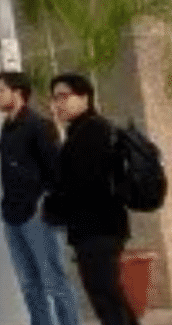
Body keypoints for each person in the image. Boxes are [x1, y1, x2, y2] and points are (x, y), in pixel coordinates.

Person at [45, 74, 137, 325]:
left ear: (85, 97)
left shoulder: (92, 131)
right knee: (108, 296)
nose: (58, 104)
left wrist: (55, 203)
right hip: (94, 228)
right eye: (54, 98)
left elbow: (85, 184)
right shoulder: (80, 131)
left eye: (64, 96)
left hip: (99, 227)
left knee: (106, 297)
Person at [0, 72, 80, 325]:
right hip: (12, 216)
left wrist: (44, 204)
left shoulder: (39, 126)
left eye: (1, 90)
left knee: (55, 282)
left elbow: (57, 172)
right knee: (30, 285)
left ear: (18, 93)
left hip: (37, 216)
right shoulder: (6, 128)